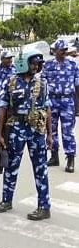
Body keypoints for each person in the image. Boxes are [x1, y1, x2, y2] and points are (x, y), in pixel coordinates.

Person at [0, 49, 52, 220]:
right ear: (24, 63)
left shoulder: (42, 84)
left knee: (40, 168)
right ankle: (6, 200)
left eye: (38, 64)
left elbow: (47, 108)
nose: (36, 66)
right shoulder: (11, 82)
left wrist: (50, 135)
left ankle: (44, 206)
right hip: (16, 128)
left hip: (36, 130)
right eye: (33, 63)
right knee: (11, 166)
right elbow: (2, 109)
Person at [43, 39, 78, 173]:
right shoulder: (48, 65)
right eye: (61, 50)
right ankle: (54, 156)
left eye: (65, 50)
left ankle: (70, 159)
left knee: (68, 131)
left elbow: (77, 85)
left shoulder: (72, 65)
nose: (64, 52)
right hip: (51, 101)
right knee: (51, 130)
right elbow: (43, 83)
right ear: (55, 51)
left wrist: (78, 105)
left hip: (67, 101)